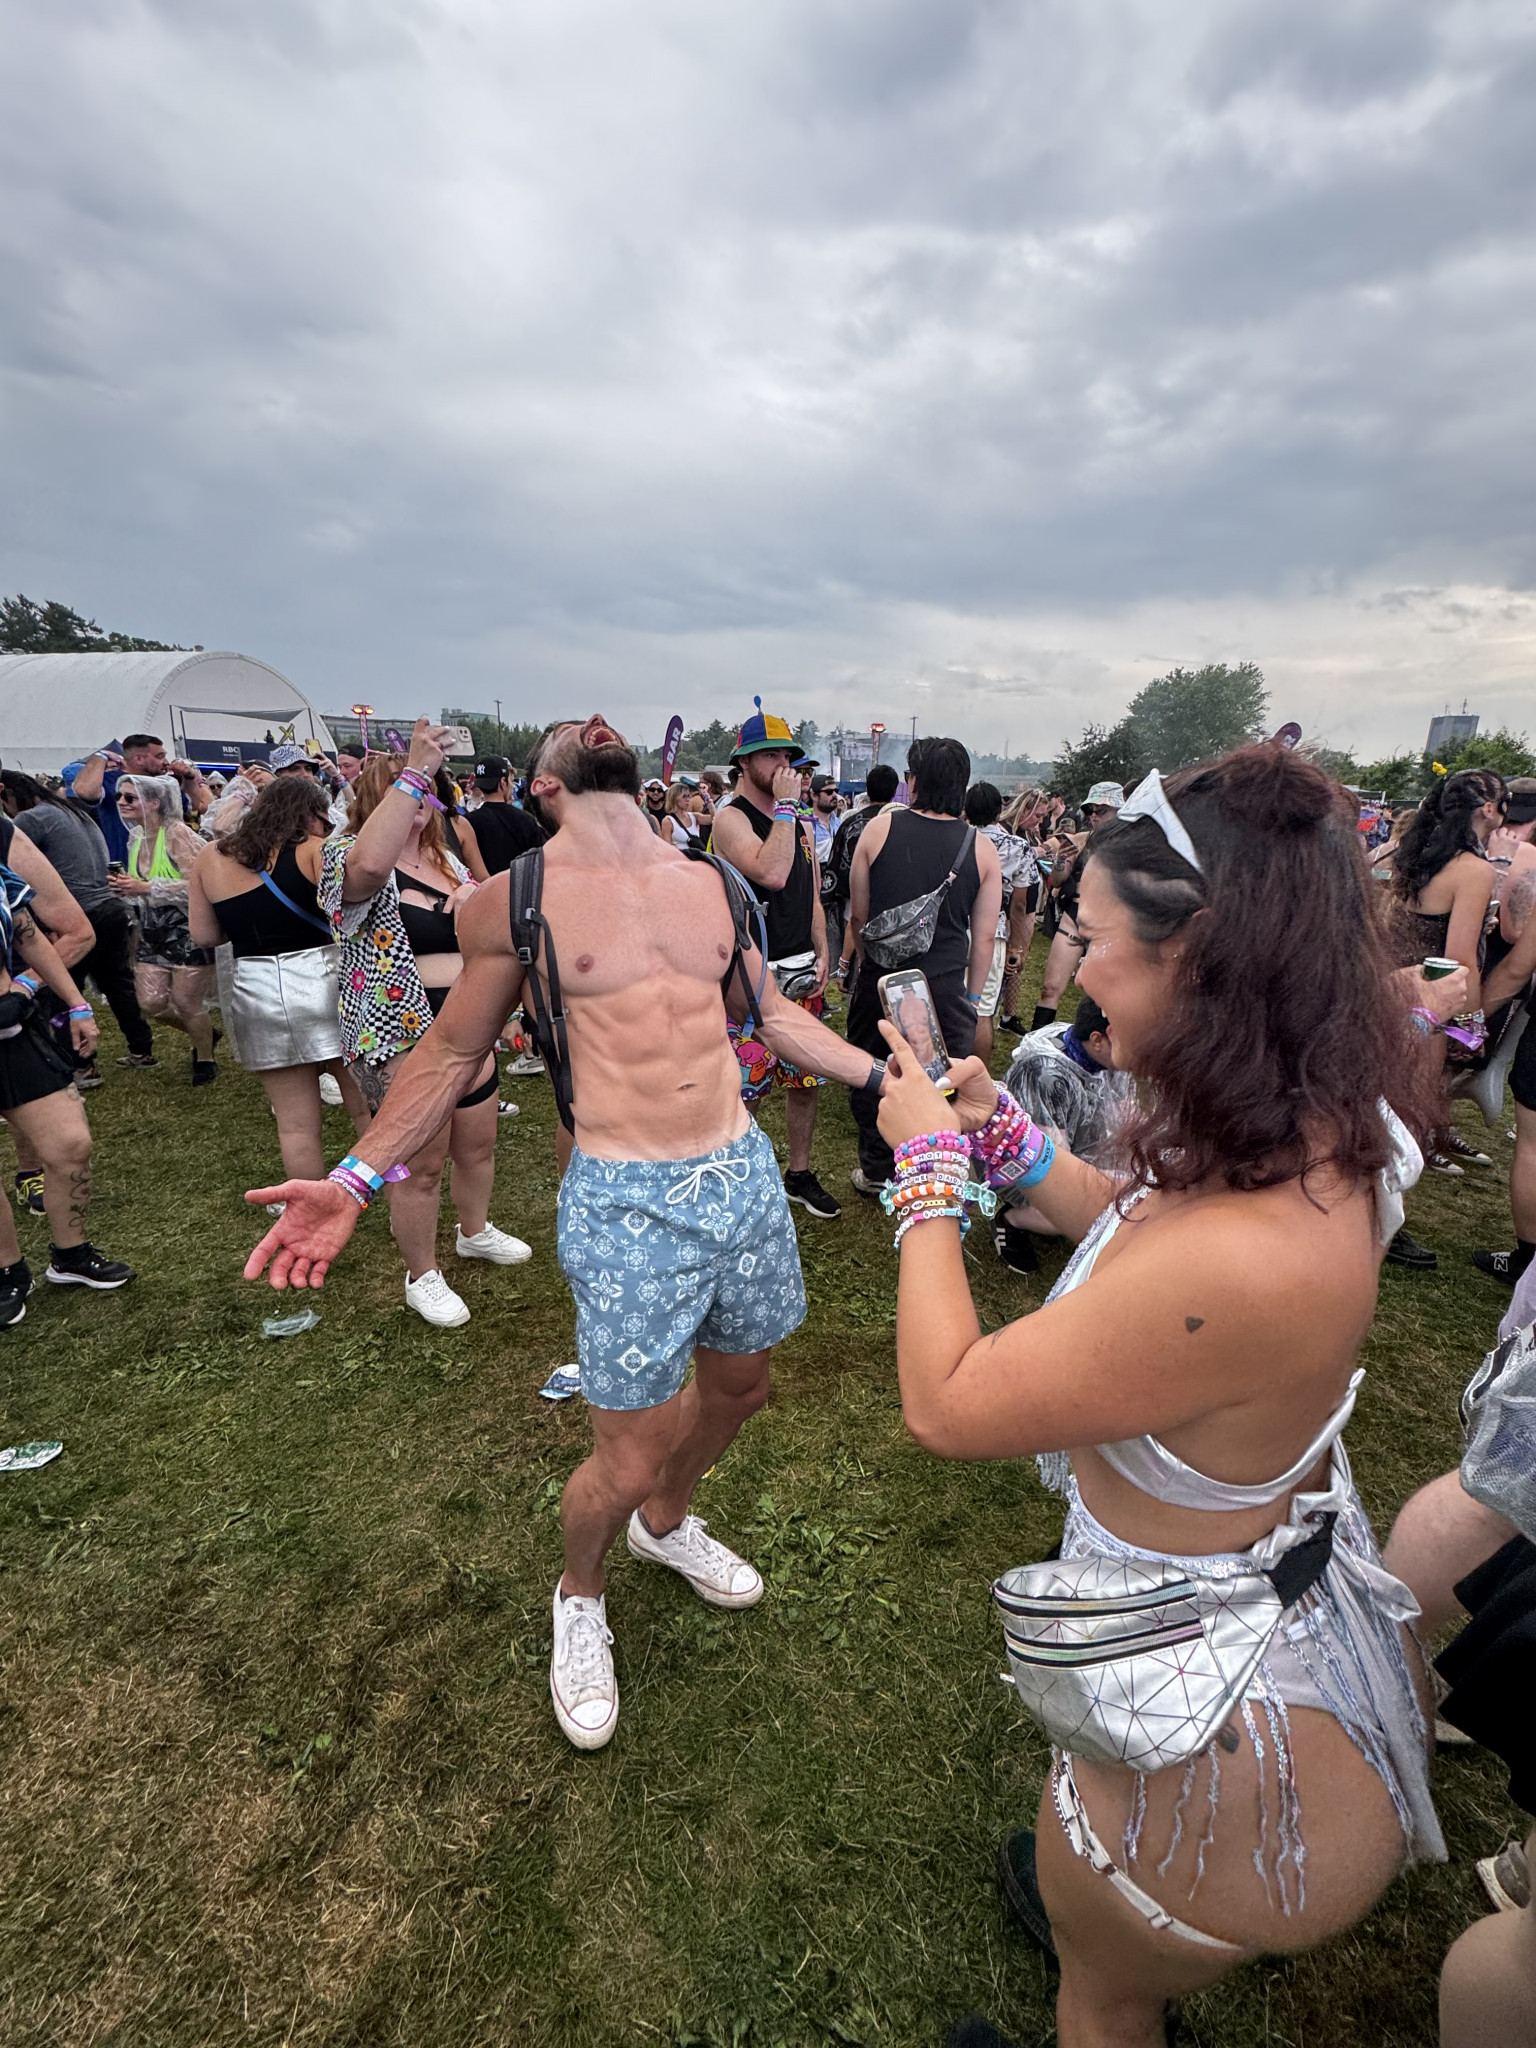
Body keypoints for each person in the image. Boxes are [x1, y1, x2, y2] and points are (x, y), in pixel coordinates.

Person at [872, 746, 1443, 2047]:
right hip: (1248, 1621)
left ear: (1197, 955)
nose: (1071, 969)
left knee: (1104, 2000)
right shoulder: (1297, 1125)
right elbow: (1131, 1233)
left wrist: (926, 1175)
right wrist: (1004, 1138)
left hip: (1218, 1737)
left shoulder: (1248, 1253)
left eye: (1089, 937)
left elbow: (948, 1402)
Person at [241, 712, 886, 1751]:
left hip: (740, 1175)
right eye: (565, 735)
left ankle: (665, 1526)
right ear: (544, 784)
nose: (590, 728)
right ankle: (580, 1592)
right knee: (625, 1457)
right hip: (626, 1194)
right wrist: (357, 1175)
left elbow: (769, 1014)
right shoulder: (515, 897)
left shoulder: (712, 881)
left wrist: (890, 1078)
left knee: (740, 1390)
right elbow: (451, 1053)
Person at [315, 726, 529, 1326]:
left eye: (422, 788)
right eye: (402, 789)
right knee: (421, 1163)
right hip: (400, 1028)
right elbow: (367, 867)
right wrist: (413, 769)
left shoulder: (445, 859)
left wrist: (474, 906)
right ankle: (422, 1273)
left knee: (477, 1143)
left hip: (467, 1023)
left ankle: (474, 1230)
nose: (416, 798)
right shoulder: (344, 854)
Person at [188, 777, 369, 1183]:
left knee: (295, 1125)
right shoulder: (314, 851)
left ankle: (307, 1205)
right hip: (327, 981)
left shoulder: (210, 857)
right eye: (324, 819)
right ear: (310, 814)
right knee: (364, 1106)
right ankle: (389, 1197)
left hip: (255, 991)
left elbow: (205, 935)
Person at [845, 737, 1001, 1194]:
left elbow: (859, 915)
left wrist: (866, 962)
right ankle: (935, 1168)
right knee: (943, 1080)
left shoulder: (879, 829)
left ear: (913, 781)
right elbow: (984, 937)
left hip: (882, 981)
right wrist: (974, 998)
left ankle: (877, 1169)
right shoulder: (980, 848)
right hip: (945, 987)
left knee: (875, 1070)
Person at [709, 700, 841, 1220]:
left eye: (787, 755)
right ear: (744, 761)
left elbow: (809, 894)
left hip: (802, 969)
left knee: (805, 1079)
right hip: (749, 978)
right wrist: (787, 807)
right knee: (748, 1083)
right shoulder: (731, 819)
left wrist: (823, 947)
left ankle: (799, 1174)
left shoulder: (799, 823)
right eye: (770, 756)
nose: (783, 765)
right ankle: (736, 1176)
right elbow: (772, 873)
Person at [0, 853, 135, 1319]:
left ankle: (71, 1254)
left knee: (70, 1144)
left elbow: (28, 935)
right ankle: (7, 1271)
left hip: (11, 1027)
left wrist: (76, 1003)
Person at [1, 770, 155, 1087]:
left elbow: (15, 874)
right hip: (111, 908)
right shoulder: (73, 812)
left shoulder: (30, 820)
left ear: (9, 795)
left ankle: (81, 1065)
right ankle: (142, 1049)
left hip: (77, 912)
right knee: (118, 984)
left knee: (61, 989)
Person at [1387, 767, 1505, 1175]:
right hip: (1429, 1005)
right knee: (1408, 1123)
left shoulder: (1418, 853)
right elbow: (1460, 959)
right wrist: (1471, 1027)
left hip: (1389, 989)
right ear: (1488, 808)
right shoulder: (1473, 869)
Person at [992, 993, 1135, 1273]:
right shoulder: (1046, 1076)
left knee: (1137, 1185)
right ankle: (1012, 1219)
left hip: (1075, 1147)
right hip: (1023, 1167)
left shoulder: (1109, 1058)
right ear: (1097, 1040)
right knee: (1090, 1212)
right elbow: (1052, 1165)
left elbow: (1127, 1119)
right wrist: (1097, 1193)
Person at [108, 772, 219, 1084]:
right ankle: (206, 1033)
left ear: (154, 802)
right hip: (152, 928)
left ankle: (205, 1058)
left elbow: (201, 884)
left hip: (188, 927)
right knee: (150, 1001)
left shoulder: (178, 835)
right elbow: (142, 885)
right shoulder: (136, 837)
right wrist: (127, 889)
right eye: (119, 796)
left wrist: (146, 888)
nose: (121, 802)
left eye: (130, 797)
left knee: (186, 1002)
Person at [1030, 780, 1123, 1033]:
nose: (1094, 816)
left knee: (1101, 996)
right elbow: (1057, 879)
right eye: (1090, 810)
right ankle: (1035, 1043)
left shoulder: (1131, 844)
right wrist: (1061, 860)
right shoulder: (1082, 840)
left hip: (1110, 924)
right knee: (1050, 987)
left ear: (1118, 810)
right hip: (1075, 915)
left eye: (1101, 810)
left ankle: (1098, 1046)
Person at [963, 782, 1038, 1062]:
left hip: (954, 929)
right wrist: (1016, 947)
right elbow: (1019, 904)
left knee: (947, 1007)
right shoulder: (1017, 847)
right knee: (982, 1011)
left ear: (966, 810)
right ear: (999, 810)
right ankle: (977, 1077)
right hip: (993, 931)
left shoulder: (956, 839)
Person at [65, 734, 211, 864]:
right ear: (139, 759)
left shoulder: (163, 785)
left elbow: (193, 806)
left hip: (164, 866)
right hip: (124, 867)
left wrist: (189, 778)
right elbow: (84, 791)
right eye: (159, 756)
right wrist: (100, 756)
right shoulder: (112, 780)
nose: (166, 762)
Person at [829, 764, 900, 987]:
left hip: (852, 902)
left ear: (867, 790)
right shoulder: (901, 825)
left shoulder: (850, 823)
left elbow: (835, 863)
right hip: (892, 909)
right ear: (894, 791)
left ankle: (849, 981)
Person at [466, 755, 545, 875]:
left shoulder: (467, 822)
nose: (512, 786)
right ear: (503, 783)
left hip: (482, 886)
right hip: (519, 884)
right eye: (510, 781)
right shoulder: (525, 820)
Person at [205, 759, 275, 839]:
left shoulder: (281, 816)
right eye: (257, 790)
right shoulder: (240, 814)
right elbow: (220, 828)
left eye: (265, 789)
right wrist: (242, 795)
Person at [327, 745, 367, 831]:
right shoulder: (340, 790)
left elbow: (357, 812)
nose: (342, 772)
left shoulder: (373, 790)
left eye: (347, 766)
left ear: (364, 764)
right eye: (339, 767)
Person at [662, 780, 704, 849]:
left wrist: (708, 800)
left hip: (695, 855)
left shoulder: (694, 816)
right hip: (679, 855)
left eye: (688, 796)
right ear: (674, 798)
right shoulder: (668, 821)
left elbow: (713, 818)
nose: (688, 799)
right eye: (684, 796)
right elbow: (667, 846)